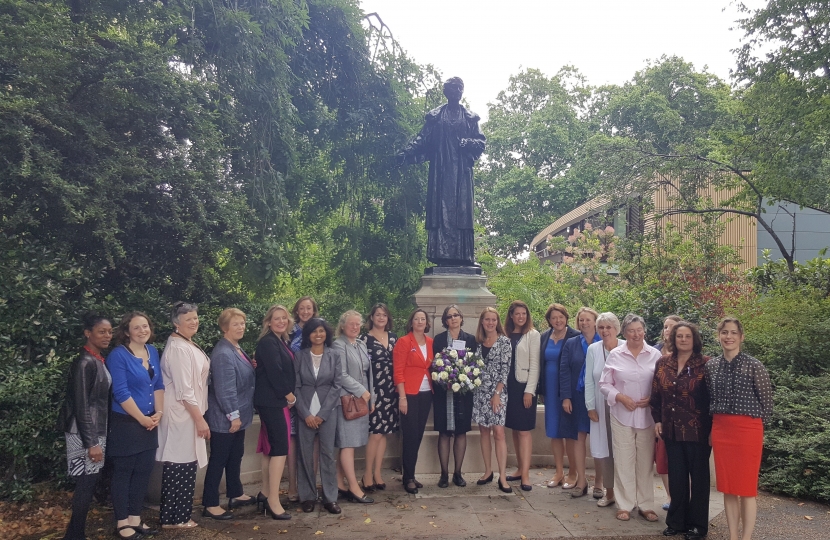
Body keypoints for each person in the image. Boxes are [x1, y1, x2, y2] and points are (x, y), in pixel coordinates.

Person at [396, 77, 486, 266]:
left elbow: (481, 143)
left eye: (459, 89)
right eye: (453, 89)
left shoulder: (470, 118)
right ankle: (441, 254)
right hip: (441, 173)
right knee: (441, 211)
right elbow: (422, 139)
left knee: (462, 213)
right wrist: (405, 153)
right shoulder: (436, 117)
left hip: (461, 175)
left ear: (462, 92)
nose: (457, 92)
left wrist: (468, 142)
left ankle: (465, 256)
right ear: (446, 92)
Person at [705, 318, 773, 540]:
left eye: (733, 333)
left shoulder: (755, 365)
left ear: (741, 337)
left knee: (747, 488)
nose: (729, 337)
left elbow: (767, 403)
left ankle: (746, 538)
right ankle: (733, 536)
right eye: (724, 332)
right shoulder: (711, 366)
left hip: (747, 430)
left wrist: (757, 429)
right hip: (721, 429)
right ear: (719, 336)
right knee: (728, 487)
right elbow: (710, 399)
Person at [651, 322, 711, 539]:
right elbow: (656, 394)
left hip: (698, 431)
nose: (683, 340)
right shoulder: (663, 362)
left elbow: (712, 399)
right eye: (679, 336)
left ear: (694, 340)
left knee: (699, 479)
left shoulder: (706, 364)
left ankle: (697, 526)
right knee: (676, 478)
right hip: (671, 428)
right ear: (673, 339)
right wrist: (657, 420)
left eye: (687, 336)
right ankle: (676, 522)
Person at [599, 313, 662, 522]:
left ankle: (645, 505)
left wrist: (652, 398)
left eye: (639, 330)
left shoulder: (655, 355)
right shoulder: (616, 354)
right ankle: (624, 504)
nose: (635, 334)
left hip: (647, 417)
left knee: (645, 462)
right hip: (621, 415)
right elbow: (604, 384)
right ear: (624, 333)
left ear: (644, 331)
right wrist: (620, 397)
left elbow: (662, 386)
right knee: (624, 460)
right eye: (631, 331)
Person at [106, 312, 164, 538]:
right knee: (124, 472)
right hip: (127, 423)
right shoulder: (118, 356)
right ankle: (122, 523)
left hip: (150, 421)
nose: (143, 330)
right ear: (127, 331)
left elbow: (158, 383)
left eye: (145, 326)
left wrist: (159, 413)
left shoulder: (153, 351)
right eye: (137, 327)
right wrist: (142, 418)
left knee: (143, 472)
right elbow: (120, 392)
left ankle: (135, 518)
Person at [59, 313, 113, 540]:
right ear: (88, 333)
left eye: (109, 332)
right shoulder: (84, 362)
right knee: (85, 483)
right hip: (84, 433)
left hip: (94, 429)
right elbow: (81, 405)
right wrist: (91, 442)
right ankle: (75, 535)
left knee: (88, 483)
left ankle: (74, 534)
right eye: (101, 332)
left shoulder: (97, 359)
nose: (107, 336)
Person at [156, 302, 211, 529]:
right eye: (188, 318)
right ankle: (177, 517)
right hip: (183, 414)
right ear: (176, 322)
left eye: (196, 317)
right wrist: (200, 419)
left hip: (188, 413)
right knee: (180, 465)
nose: (194, 321)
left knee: (184, 464)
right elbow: (185, 389)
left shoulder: (186, 343)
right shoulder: (178, 348)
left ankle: (174, 516)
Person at [202, 308, 256, 520]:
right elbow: (225, 389)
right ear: (225, 327)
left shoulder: (235, 348)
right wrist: (233, 416)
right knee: (219, 459)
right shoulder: (223, 353)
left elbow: (240, 374)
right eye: (235, 324)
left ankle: (236, 493)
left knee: (235, 457)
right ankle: (210, 503)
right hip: (225, 418)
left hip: (238, 415)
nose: (241, 327)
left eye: (242, 323)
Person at [294, 318, 343, 515]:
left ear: (326, 333)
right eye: (314, 331)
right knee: (305, 456)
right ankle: (307, 496)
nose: (318, 335)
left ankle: (330, 498)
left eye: (321, 331)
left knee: (328, 455)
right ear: (308, 335)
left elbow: (336, 385)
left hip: (328, 413)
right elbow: (295, 386)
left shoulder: (334, 355)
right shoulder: (299, 356)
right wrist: (306, 414)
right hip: (304, 412)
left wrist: (322, 414)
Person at [253, 304, 296, 520]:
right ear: (268, 322)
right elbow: (275, 372)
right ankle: (273, 501)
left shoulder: (279, 341)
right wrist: (290, 396)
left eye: (284, 318)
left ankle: (265, 493)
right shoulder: (268, 342)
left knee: (272, 447)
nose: (281, 321)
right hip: (273, 401)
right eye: (276, 318)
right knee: (280, 448)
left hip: (274, 401)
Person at [431, 304, 477, 488]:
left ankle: (457, 473)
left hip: (464, 394)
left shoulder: (470, 339)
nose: (453, 319)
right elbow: (434, 364)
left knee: (460, 433)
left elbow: (474, 365)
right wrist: (444, 380)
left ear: (461, 318)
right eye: (449, 316)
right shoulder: (439, 339)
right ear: (445, 321)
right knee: (444, 433)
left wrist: (464, 378)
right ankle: (444, 474)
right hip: (444, 394)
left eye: (456, 315)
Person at [332, 310, 375, 504]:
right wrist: (361, 391)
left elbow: (368, 373)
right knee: (347, 444)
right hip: (347, 401)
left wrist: (371, 397)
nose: (355, 327)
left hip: (362, 400)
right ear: (342, 325)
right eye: (351, 324)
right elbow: (340, 375)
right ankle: (354, 488)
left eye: (358, 324)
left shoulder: (360, 344)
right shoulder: (337, 345)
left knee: (349, 445)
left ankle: (339, 484)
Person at [559, 307, 600, 498]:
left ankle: (599, 482)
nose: (584, 323)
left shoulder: (605, 342)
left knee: (600, 440)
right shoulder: (572, 343)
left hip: (600, 397)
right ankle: (581, 481)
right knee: (579, 437)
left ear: (595, 321)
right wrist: (566, 397)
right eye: (581, 320)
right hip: (577, 396)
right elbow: (564, 371)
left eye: (588, 320)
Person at [538, 303, 580, 489]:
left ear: (566, 317)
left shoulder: (576, 336)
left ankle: (573, 472)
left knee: (569, 433)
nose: (558, 320)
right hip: (549, 389)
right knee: (554, 432)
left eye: (561, 317)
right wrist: (541, 391)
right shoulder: (544, 337)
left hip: (568, 391)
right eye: (554, 318)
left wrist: (569, 394)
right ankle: (558, 472)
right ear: (549, 320)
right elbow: (539, 363)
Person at [393, 308, 434, 494]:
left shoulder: (431, 342)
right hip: (409, 394)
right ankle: (407, 477)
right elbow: (398, 371)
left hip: (427, 394)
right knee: (409, 435)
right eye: (416, 318)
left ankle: (411, 474)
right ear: (411, 322)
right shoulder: (403, 342)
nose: (420, 321)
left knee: (417, 435)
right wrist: (402, 397)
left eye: (423, 319)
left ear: (427, 323)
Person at [472, 307, 513, 493]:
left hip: (498, 392)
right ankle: (487, 471)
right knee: (483, 431)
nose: (490, 323)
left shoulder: (505, 342)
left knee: (499, 432)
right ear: (482, 322)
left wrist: (497, 394)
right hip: (480, 392)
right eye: (487, 319)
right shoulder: (478, 343)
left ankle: (502, 476)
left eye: (493, 320)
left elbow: (505, 370)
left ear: (498, 322)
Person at [584, 312, 623, 508]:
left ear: (617, 328)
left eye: (609, 327)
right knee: (606, 450)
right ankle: (609, 492)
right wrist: (590, 406)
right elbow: (590, 380)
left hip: (624, 406)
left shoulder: (626, 346)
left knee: (623, 450)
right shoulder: (593, 349)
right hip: (600, 404)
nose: (605, 331)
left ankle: (628, 495)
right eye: (601, 327)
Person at [504, 300, 541, 491]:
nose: (521, 317)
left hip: (524, 387)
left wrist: (529, 390)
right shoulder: (505, 334)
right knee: (515, 430)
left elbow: (535, 365)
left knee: (524, 431)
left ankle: (526, 475)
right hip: (507, 387)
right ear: (511, 315)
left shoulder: (533, 335)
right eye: (517, 314)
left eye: (524, 314)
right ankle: (519, 468)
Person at [360, 304, 398, 492]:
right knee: (375, 433)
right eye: (377, 315)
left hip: (391, 390)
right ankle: (366, 474)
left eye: (384, 315)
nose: (381, 318)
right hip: (374, 390)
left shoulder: (394, 338)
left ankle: (377, 473)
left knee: (383, 433)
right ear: (372, 318)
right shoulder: (364, 339)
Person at [286, 296, 320, 501]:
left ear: (314, 310)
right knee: (293, 439)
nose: (305, 311)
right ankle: (292, 486)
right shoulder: (289, 332)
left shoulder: (320, 329)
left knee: (314, 438)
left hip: (315, 393)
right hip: (293, 392)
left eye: (309, 308)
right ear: (297, 311)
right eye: (301, 308)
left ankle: (311, 485)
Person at [654, 314, 681, 509]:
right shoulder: (654, 353)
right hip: (660, 413)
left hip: (682, 416)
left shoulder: (689, 353)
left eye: (672, 327)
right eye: (665, 327)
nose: (668, 330)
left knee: (680, 460)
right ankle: (671, 497)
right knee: (662, 459)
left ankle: (682, 498)